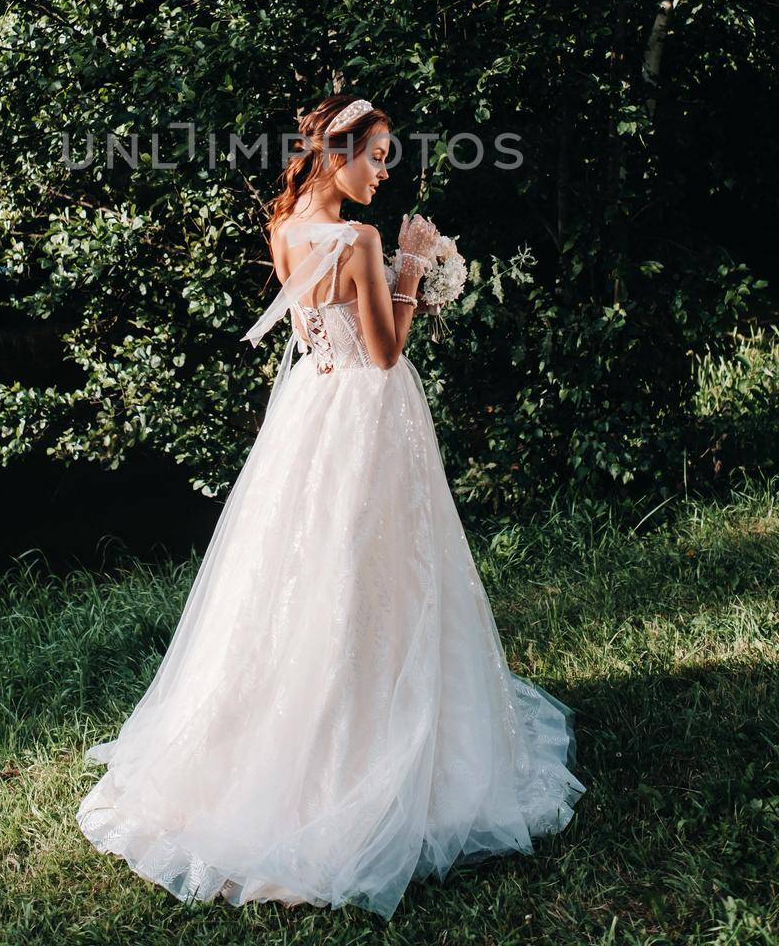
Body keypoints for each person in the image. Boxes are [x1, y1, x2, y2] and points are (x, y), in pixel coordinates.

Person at [77, 93, 586, 918]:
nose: (384, 171)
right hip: (369, 415)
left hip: (310, 413)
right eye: (376, 155)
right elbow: (384, 353)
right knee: (377, 567)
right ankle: (371, 738)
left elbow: (318, 329)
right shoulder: (360, 238)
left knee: (305, 569)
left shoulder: (284, 228)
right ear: (335, 154)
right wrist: (415, 269)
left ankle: (283, 732)